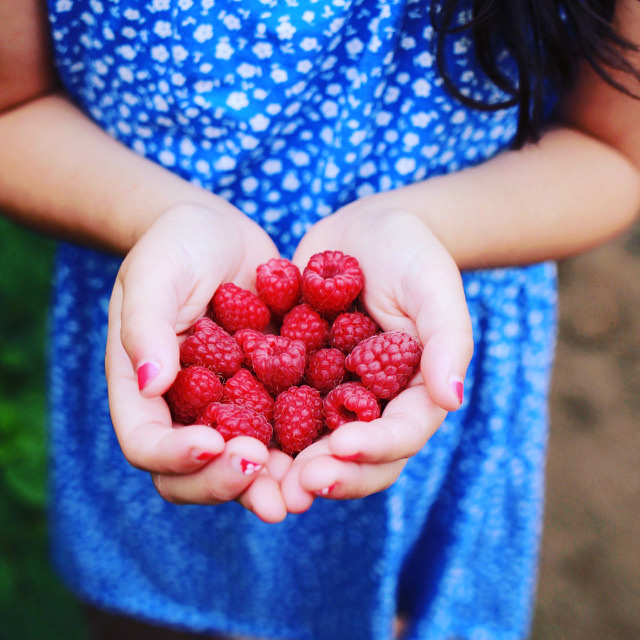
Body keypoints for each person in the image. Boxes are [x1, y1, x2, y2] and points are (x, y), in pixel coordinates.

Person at [1, 1, 639, 639]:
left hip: (431, 303)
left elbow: (616, 150)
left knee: (409, 603)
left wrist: (417, 226)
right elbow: (12, 110)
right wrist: (158, 216)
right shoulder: (238, 353)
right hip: (160, 313)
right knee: (156, 606)